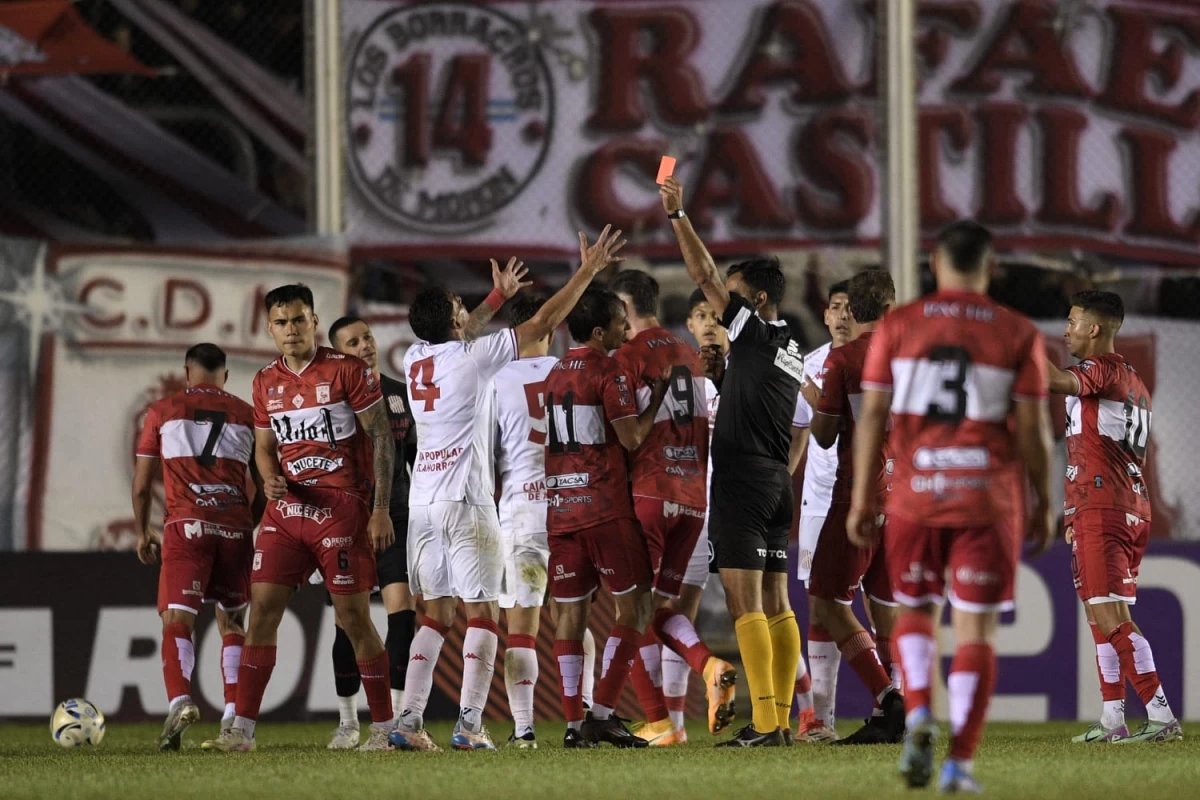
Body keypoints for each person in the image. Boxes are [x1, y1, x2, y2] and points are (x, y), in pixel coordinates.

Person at [391, 228, 628, 752]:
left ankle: (407, 720)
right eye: (461, 308)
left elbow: (462, 328)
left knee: (435, 613)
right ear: (455, 321)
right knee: (484, 616)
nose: (469, 314)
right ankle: (471, 724)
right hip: (470, 502)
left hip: (422, 503)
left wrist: (496, 297)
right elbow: (540, 322)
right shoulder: (477, 359)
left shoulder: (414, 360)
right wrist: (587, 270)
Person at [847, 221, 1054, 792]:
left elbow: (870, 418)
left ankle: (917, 716)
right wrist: (1044, 500)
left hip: (915, 497)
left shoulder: (898, 326)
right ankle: (959, 763)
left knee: (914, 612)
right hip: (987, 500)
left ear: (934, 265)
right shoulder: (1017, 332)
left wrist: (864, 495)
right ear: (990, 269)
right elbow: (1034, 432)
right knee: (976, 631)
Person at [203, 284, 398, 753]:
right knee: (262, 612)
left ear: (314, 321)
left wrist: (380, 510)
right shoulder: (264, 381)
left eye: (299, 320)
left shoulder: (346, 371)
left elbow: (383, 439)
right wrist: (269, 481)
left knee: (353, 619)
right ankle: (242, 732)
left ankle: (385, 729)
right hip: (287, 512)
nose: (291, 330)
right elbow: (265, 451)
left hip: (342, 508)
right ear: (270, 329)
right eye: (281, 322)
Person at [660, 176, 802, 747]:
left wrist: (678, 216)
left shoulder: (757, 329)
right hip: (775, 481)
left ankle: (768, 726)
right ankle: (781, 720)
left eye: (737, 297)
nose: (726, 304)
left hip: (742, 481)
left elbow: (703, 276)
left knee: (747, 604)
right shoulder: (790, 343)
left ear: (757, 301)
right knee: (778, 602)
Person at [1046, 290, 1181, 744]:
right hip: (1120, 504)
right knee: (1101, 613)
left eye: (1072, 321)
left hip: (1104, 507)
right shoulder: (1132, 379)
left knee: (1109, 616)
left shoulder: (1099, 369)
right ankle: (1111, 719)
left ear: (1094, 328)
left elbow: (1055, 382)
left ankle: (1161, 715)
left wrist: (1010, 350)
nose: (1066, 330)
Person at [611, 270, 736, 746]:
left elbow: (624, 433)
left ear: (626, 310)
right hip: (693, 500)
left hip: (649, 493)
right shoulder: (692, 355)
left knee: (634, 610)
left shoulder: (627, 355)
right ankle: (708, 667)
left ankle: (661, 722)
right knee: (663, 608)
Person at [545, 287, 668, 749]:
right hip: (604, 507)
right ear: (599, 332)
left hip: (560, 511)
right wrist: (654, 399)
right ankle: (603, 713)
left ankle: (575, 725)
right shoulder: (609, 370)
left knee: (570, 616)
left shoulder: (556, 373)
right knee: (636, 607)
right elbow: (633, 437)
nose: (626, 328)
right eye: (620, 321)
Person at [133, 343, 264, 751]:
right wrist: (246, 522)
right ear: (224, 375)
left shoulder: (161, 410)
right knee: (233, 623)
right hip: (235, 529)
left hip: (187, 525)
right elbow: (264, 485)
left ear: (187, 371)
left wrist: (142, 532)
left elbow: (141, 487)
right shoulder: (248, 413)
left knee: (177, 619)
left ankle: (180, 701)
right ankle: (232, 719)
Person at [800, 269, 903, 746]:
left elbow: (822, 435)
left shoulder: (843, 358)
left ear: (852, 310)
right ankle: (900, 705)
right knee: (886, 606)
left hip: (858, 493)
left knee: (826, 600)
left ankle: (888, 698)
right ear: (888, 308)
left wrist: (811, 393)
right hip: (907, 496)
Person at [322, 316, 418, 749]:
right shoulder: (332, 403)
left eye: (367, 338)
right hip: (348, 521)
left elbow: (417, 457)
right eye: (353, 342)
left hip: (397, 517)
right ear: (339, 354)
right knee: (348, 623)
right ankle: (347, 721)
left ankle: (397, 717)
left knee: (402, 612)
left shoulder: (401, 395)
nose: (364, 346)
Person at [491, 295, 559, 749]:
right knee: (574, 620)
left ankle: (524, 728)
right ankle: (582, 716)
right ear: (549, 327)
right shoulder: (573, 371)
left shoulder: (496, 380)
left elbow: (486, 458)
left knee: (522, 624)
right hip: (572, 508)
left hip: (522, 513)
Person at [790, 280, 850, 742]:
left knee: (882, 603)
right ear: (825, 315)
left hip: (868, 492)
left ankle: (895, 710)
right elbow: (798, 435)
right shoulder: (808, 363)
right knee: (820, 603)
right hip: (820, 498)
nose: (842, 315)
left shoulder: (877, 359)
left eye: (850, 308)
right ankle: (822, 719)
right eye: (834, 307)